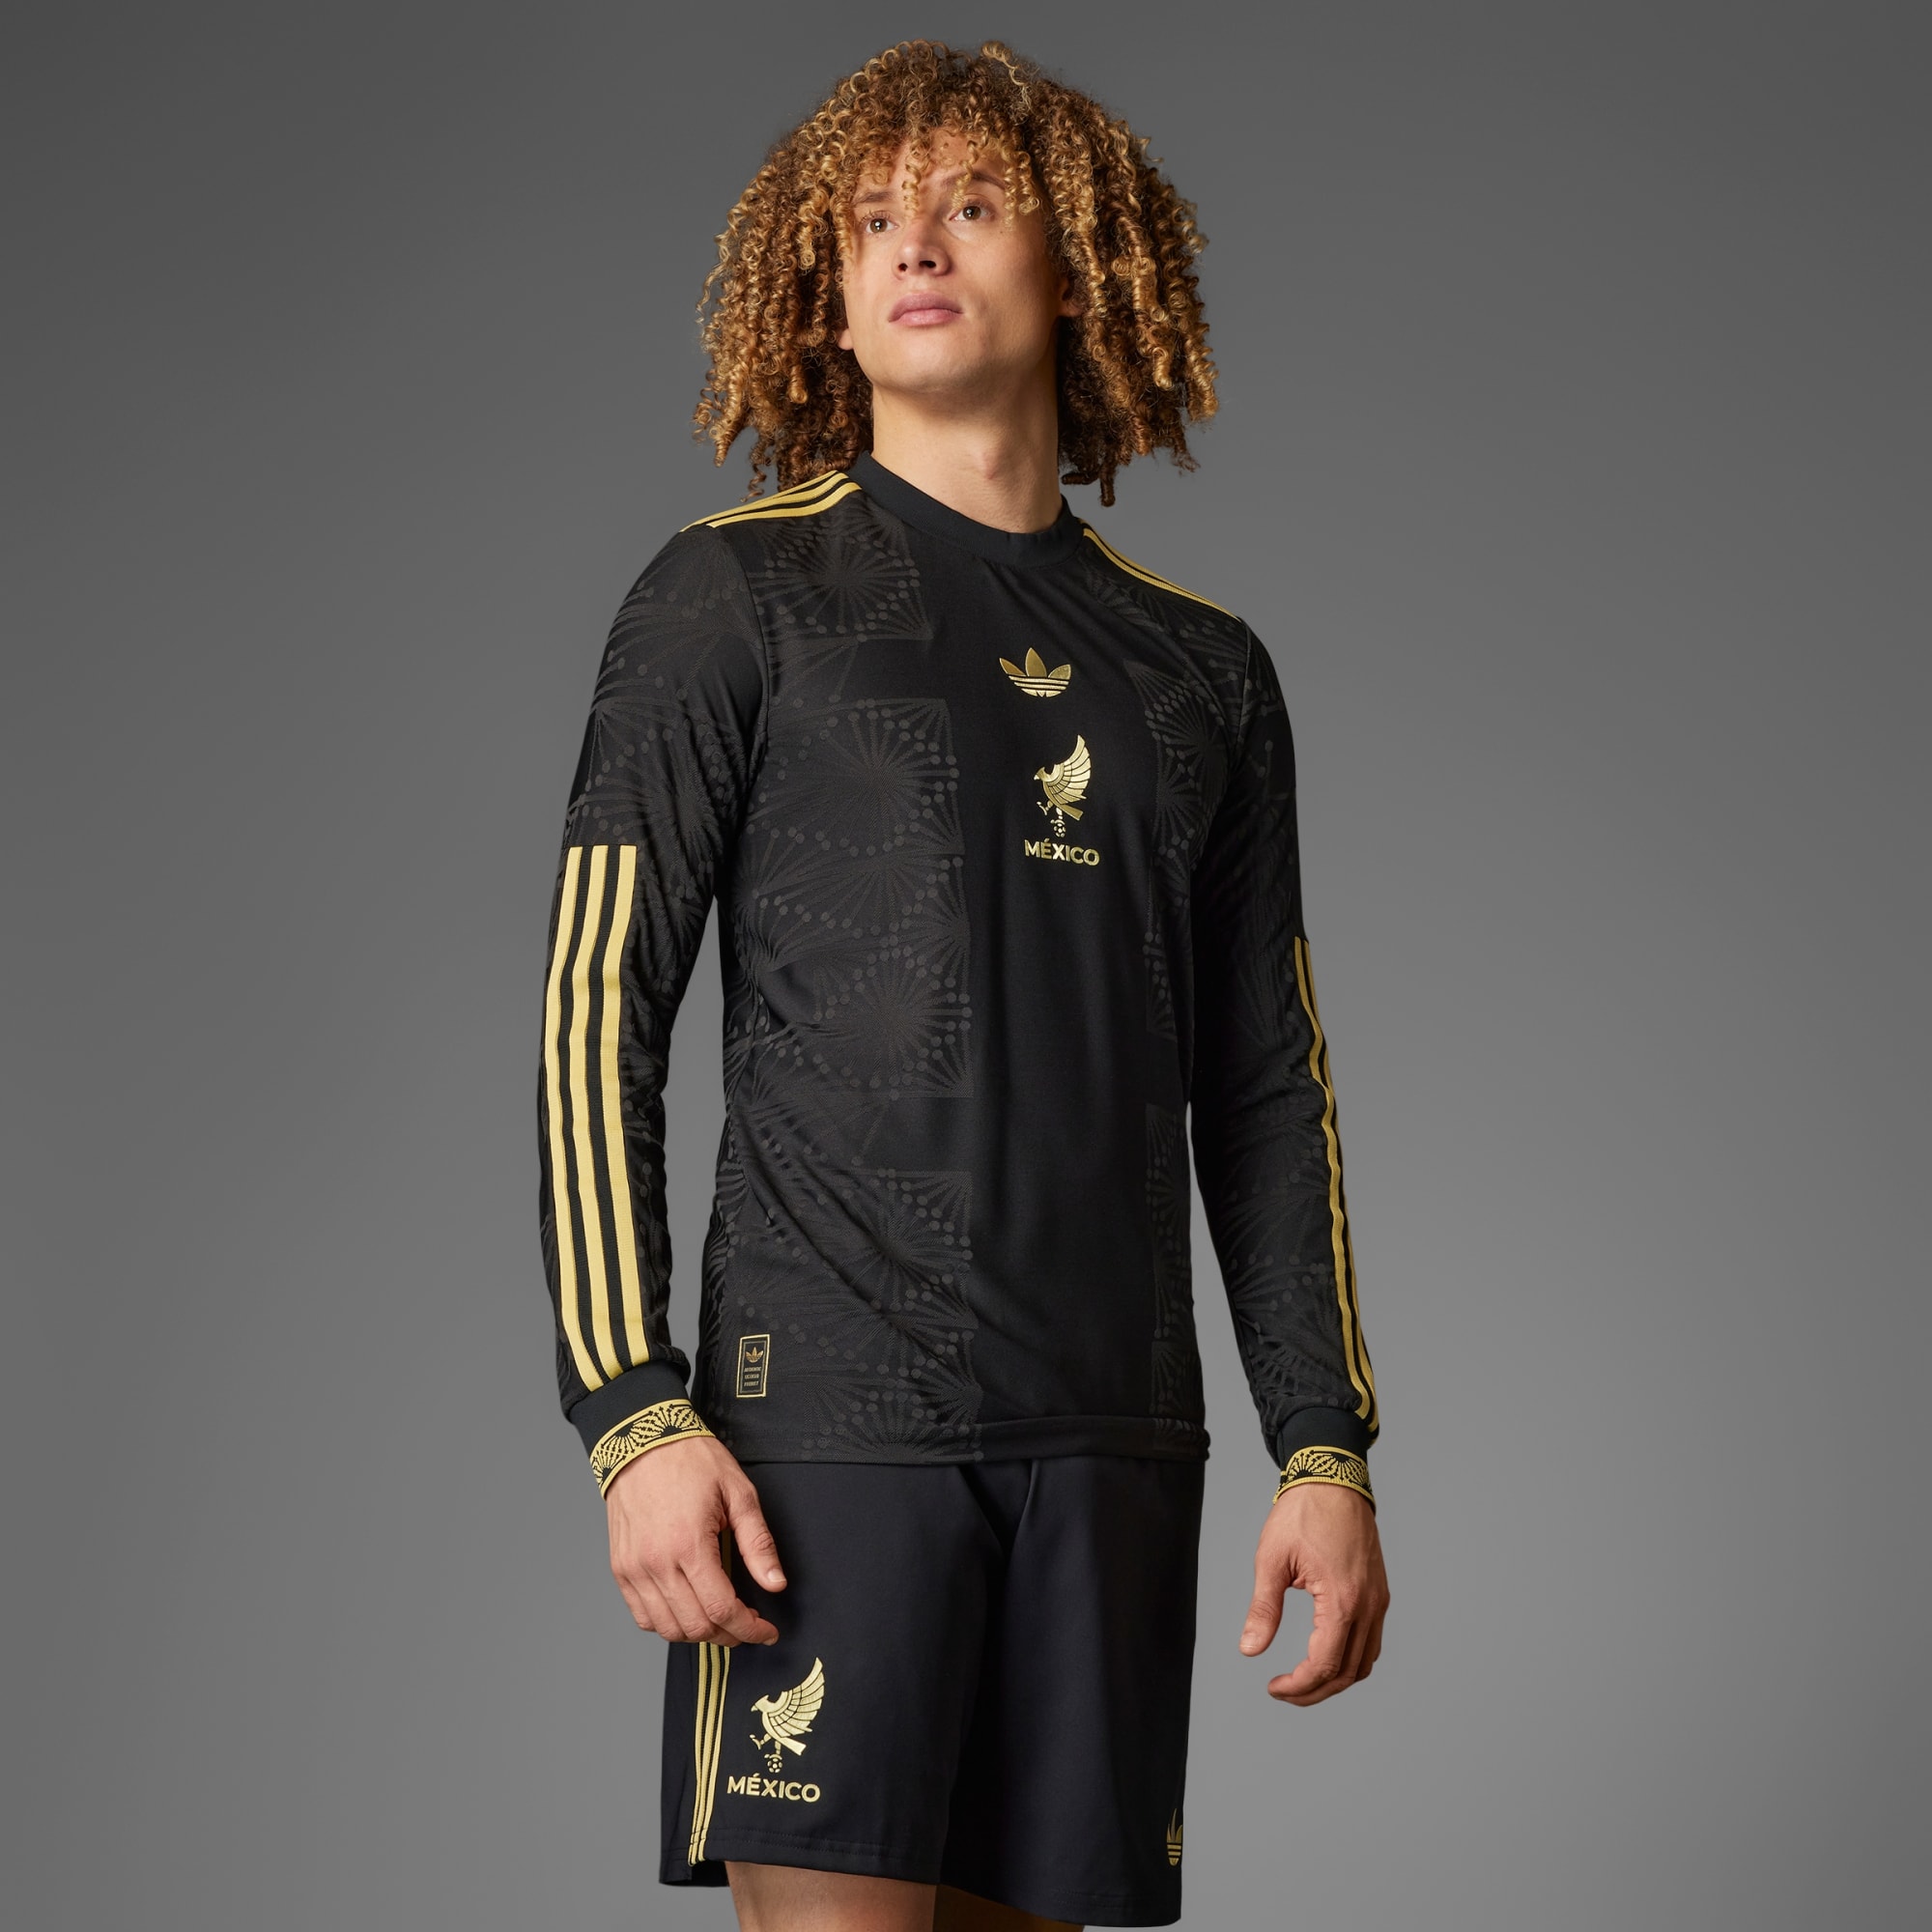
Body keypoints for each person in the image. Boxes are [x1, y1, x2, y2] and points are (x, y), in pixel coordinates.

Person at [536, 39, 1389, 1932]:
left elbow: (1265, 1081)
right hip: (827, 1445)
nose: (913, 247)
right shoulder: (730, 599)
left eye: (973, 206)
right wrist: (632, 1411)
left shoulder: (1200, 671)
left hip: (1110, 1444)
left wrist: (1322, 1442)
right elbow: (598, 1015)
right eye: (870, 221)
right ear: (828, 297)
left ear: (1075, 267)